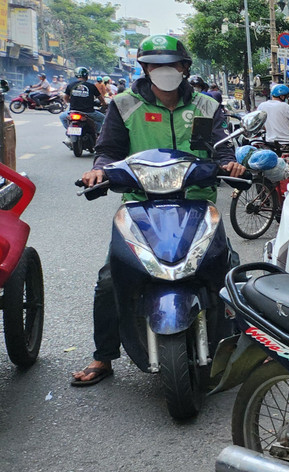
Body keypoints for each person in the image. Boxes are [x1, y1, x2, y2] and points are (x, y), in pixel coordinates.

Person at [70, 35, 245, 387]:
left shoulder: (207, 106)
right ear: (145, 69)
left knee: (228, 268)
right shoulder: (124, 105)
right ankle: (102, 356)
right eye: (155, 65)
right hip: (140, 203)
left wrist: (231, 165)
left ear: (184, 68)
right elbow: (108, 150)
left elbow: (223, 149)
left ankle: (242, 341)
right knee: (109, 279)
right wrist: (99, 169)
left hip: (196, 201)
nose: (164, 71)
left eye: (172, 64)